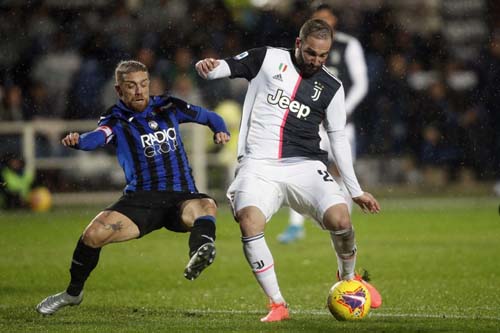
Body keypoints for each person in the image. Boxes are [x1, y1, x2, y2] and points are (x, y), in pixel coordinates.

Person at [196, 19, 380, 322]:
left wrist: (355, 189)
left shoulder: (331, 86)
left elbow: (338, 137)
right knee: (249, 222)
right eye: (311, 53)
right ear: (298, 43)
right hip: (258, 165)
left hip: (305, 165)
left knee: (341, 219)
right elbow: (224, 67)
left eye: (323, 56)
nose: (316, 61)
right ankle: (278, 304)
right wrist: (209, 67)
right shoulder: (267, 58)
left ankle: (349, 278)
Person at [36, 60, 230, 315]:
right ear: (119, 90)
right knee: (92, 236)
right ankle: (73, 294)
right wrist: (79, 141)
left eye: (143, 84)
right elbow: (99, 136)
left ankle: (200, 251)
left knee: (207, 205)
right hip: (141, 200)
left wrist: (220, 130)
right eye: (131, 86)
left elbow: (210, 116)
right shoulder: (115, 118)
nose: (139, 91)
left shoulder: (168, 105)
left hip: (181, 196)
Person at [278, 4, 369, 244]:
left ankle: (342, 221)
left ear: (335, 20)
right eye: (319, 19)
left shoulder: (348, 44)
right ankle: (295, 225)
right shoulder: (304, 49)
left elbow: (361, 83)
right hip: (309, 117)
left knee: (340, 169)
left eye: (327, 18)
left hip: (340, 120)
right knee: (299, 166)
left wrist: (344, 109)